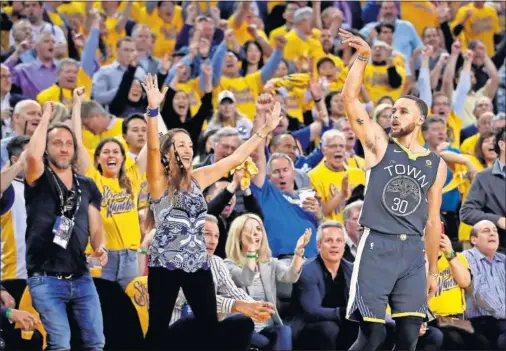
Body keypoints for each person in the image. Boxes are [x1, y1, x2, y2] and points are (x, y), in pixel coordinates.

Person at [141, 74, 282, 350]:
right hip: (166, 265)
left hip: (197, 264)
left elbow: (235, 158)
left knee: (209, 327)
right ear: (168, 152)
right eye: (181, 144)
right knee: (157, 330)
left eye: (190, 145)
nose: (188, 148)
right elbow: (153, 147)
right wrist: (153, 111)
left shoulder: (199, 177)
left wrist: (265, 129)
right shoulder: (158, 181)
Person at [339, 28, 447, 350]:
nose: (394, 115)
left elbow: (432, 220)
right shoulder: (379, 145)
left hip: (413, 253)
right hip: (377, 246)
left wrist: (432, 270)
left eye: (402, 111)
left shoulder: (437, 164)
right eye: (392, 111)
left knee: (409, 338)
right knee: (372, 335)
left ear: (421, 119)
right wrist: (362, 58)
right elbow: (350, 100)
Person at [23, 101, 108, 350]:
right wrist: (47, 115)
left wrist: (99, 248)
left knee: (96, 343)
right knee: (60, 343)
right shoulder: (38, 176)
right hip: (45, 277)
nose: (64, 149)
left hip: (82, 276)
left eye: (68, 144)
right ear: (47, 148)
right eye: (57, 143)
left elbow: (96, 226)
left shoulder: (88, 184)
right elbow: (32, 155)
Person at [224, 213, 311, 350]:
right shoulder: (228, 265)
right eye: (250, 230)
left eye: (258, 229)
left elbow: (290, 276)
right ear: (239, 236)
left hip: (266, 325)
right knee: (266, 343)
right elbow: (246, 279)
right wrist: (251, 251)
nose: (256, 234)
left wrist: (298, 252)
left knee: (284, 331)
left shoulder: (268, 264)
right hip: (242, 328)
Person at [288, 221, 358, 350]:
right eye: (329, 241)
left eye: (339, 241)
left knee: (380, 327)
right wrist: (344, 313)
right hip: (309, 325)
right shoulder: (307, 271)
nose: (334, 246)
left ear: (344, 245)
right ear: (319, 246)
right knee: (329, 328)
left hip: (344, 321)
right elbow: (312, 311)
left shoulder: (352, 270)